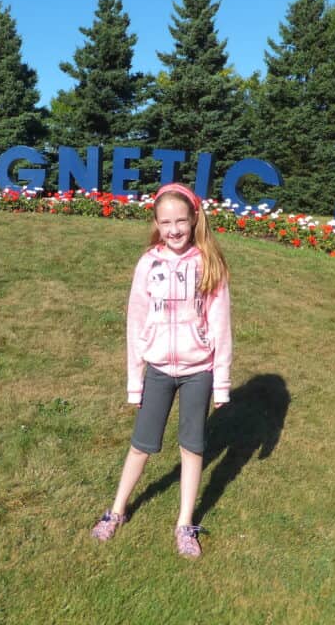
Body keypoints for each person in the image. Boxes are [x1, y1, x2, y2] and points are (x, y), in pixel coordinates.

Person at [91, 182, 232, 558]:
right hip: (156, 370)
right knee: (142, 445)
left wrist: (221, 384)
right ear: (156, 222)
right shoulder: (147, 264)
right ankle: (117, 510)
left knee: (193, 448)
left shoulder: (208, 263)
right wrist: (134, 383)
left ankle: (185, 523)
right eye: (166, 222)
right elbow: (136, 324)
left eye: (181, 221)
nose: (174, 230)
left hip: (198, 370)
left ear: (194, 220)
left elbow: (221, 326)